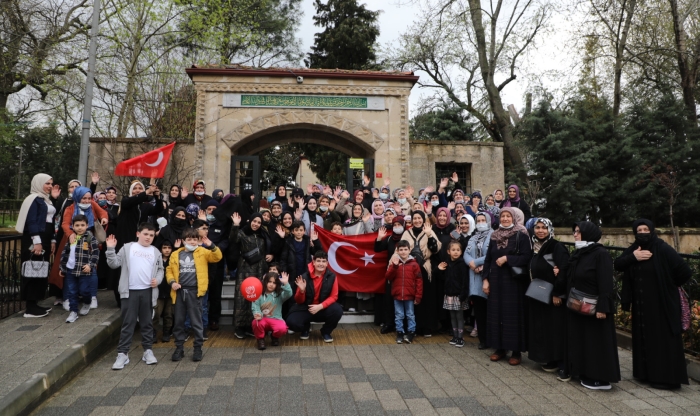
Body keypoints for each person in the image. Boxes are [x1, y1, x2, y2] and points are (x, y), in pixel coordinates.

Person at [614, 219, 691, 390]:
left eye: (645, 229)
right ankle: (646, 374)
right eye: (639, 230)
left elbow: (684, 271)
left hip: (662, 303)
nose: (642, 232)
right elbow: (618, 264)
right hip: (642, 306)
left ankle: (667, 379)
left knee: (662, 340)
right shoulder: (634, 249)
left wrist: (668, 285)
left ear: (652, 230)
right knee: (646, 339)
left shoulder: (662, 248)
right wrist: (633, 257)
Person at [566, 221, 620, 390]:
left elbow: (605, 283)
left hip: (595, 307)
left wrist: (603, 308)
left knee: (597, 343)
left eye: (578, 232)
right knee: (585, 341)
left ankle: (600, 378)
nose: (575, 234)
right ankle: (585, 371)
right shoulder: (581, 252)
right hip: (580, 305)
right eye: (574, 231)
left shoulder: (600, 253)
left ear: (588, 233)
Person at [105, 223, 163, 370]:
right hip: (129, 291)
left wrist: (158, 279)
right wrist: (110, 249)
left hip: (147, 292)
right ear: (138, 234)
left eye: (151, 235)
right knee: (128, 323)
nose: (148, 237)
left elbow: (161, 270)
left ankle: (148, 351)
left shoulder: (156, 251)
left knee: (147, 323)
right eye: (145, 234)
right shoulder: (127, 248)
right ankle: (122, 354)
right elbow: (114, 264)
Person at [482, 207, 533, 365]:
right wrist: (485, 279)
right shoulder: (494, 235)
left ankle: (516, 351)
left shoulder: (521, 234)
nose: (504, 219)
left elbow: (527, 257)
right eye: (502, 216)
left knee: (513, 315)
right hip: (496, 280)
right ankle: (500, 348)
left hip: (514, 281)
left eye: (508, 216)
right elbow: (488, 259)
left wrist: (507, 259)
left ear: (514, 218)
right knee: (497, 314)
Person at [166, 227, 222, 362]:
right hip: (179, 292)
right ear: (183, 240)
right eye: (189, 239)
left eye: (195, 239)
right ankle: (179, 347)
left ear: (198, 241)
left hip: (195, 292)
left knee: (196, 322)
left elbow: (217, 257)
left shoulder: (202, 252)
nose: (192, 242)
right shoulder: (176, 254)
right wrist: (172, 282)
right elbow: (169, 271)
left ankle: (198, 348)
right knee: (178, 321)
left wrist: (212, 245)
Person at [527, 218, 570, 378]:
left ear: (550, 230)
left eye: (544, 228)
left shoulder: (556, 247)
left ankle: (560, 361)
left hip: (552, 296)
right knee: (543, 328)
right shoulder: (535, 248)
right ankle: (547, 359)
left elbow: (564, 269)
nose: (540, 231)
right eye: (537, 227)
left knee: (555, 329)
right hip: (538, 294)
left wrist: (558, 293)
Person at [16, 174, 56, 318]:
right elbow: (32, 222)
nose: (50, 186)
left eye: (51, 183)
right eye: (47, 183)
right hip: (35, 239)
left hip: (44, 238)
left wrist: (52, 240)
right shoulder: (33, 199)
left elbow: (50, 222)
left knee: (40, 270)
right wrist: (37, 242)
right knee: (32, 270)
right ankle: (30, 307)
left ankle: (35, 303)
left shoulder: (45, 199)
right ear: (38, 183)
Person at [286, 251, 343, 342]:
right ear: (313, 262)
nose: (321, 264)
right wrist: (301, 291)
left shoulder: (332, 276)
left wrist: (321, 306)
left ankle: (326, 332)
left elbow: (334, 296)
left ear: (327, 263)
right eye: (318, 261)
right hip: (306, 308)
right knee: (291, 322)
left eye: (323, 261)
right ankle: (305, 328)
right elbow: (299, 301)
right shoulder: (305, 276)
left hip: (322, 308)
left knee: (337, 310)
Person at [401, 211, 441, 337]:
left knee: (427, 298)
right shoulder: (407, 233)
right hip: (410, 268)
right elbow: (400, 249)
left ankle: (427, 327)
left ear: (423, 219)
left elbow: (435, 249)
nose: (417, 220)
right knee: (412, 298)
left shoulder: (429, 230)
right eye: (415, 218)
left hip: (425, 268)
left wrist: (429, 235)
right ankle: (414, 327)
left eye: (419, 218)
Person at [230, 212, 269, 338]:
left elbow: (269, 248)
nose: (256, 224)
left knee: (256, 297)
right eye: (254, 221)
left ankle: (252, 325)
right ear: (250, 220)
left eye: (259, 222)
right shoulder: (242, 232)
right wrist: (235, 225)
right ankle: (239, 327)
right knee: (243, 297)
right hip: (245, 270)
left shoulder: (263, 235)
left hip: (259, 270)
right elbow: (233, 238)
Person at [58, 215, 99, 322]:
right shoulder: (71, 238)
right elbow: (65, 253)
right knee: (72, 291)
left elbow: (95, 253)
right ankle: (73, 311)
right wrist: (62, 268)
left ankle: (87, 302)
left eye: (82, 225)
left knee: (84, 290)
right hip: (71, 270)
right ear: (72, 226)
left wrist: (90, 265)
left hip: (84, 270)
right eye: (77, 225)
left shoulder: (90, 238)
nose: (80, 228)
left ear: (87, 226)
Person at [386, 240, 423, 344]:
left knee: (410, 314)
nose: (403, 252)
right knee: (399, 315)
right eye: (401, 250)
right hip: (397, 295)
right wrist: (394, 266)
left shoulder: (414, 264)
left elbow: (419, 281)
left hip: (410, 295)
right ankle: (400, 332)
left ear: (409, 250)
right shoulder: (394, 263)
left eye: (405, 249)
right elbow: (388, 277)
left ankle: (411, 332)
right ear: (397, 251)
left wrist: (418, 296)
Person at [465, 212, 493, 349]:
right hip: (474, 277)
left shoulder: (493, 235)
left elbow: (491, 254)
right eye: (479, 220)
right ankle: (483, 340)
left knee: (490, 311)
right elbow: (465, 253)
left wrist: (475, 262)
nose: (481, 222)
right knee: (479, 311)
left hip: (488, 276)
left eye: (483, 220)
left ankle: (493, 339)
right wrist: (471, 262)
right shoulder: (473, 237)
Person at [374, 216, 405, 334]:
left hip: (404, 273)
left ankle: (402, 325)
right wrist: (379, 238)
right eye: (395, 225)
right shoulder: (389, 239)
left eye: (399, 225)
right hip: (391, 273)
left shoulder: (408, 237)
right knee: (389, 299)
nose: (397, 227)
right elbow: (377, 249)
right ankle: (389, 324)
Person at [437, 240, 470, 347]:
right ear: (448, 251)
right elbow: (442, 279)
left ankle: (460, 337)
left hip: (459, 295)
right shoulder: (446, 263)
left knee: (459, 316)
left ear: (461, 252)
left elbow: (465, 281)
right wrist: (439, 270)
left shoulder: (462, 264)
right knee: (452, 316)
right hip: (449, 294)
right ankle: (455, 336)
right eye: (453, 250)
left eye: (458, 250)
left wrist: (463, 294)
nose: (456, 252)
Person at [252, 272, 294, 350]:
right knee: (256, 323)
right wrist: (257, 314)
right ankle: (260, 339)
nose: (271, 284)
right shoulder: (258, 294)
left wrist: (286, 283)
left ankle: (274, 337)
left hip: (276, 318)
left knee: (283, 328)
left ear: (277, 284)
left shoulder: (279, 295)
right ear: (265, 282)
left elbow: (289, 294)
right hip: (262, 319)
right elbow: (255, 306)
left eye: (274, 283)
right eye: (269, 282)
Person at [156, 240, 176, 342]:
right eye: (164, 248)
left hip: (170, 291)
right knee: (156, 314)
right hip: (158, 292)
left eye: (169, 248)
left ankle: (166, 333)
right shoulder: (156, 260)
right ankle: (153, 334)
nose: (167, 250)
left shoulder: (173, 260)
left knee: (169, 314)